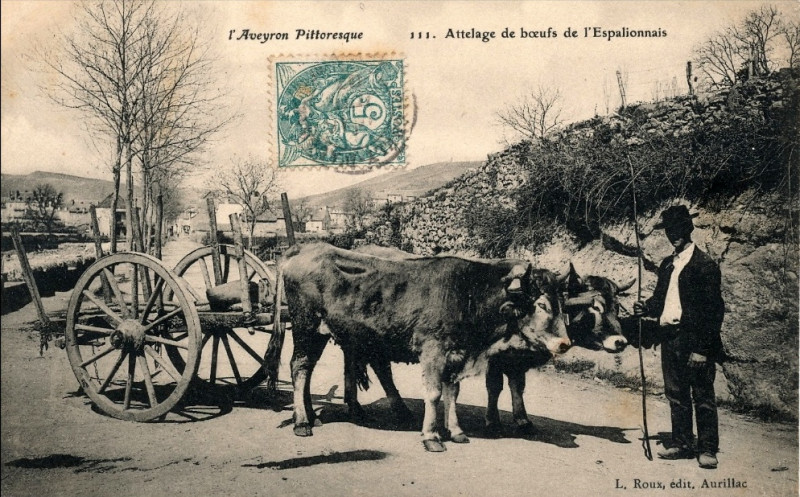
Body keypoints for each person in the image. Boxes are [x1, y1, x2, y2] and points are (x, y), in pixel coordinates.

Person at [633, 205, 725, 470]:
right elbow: (661, 299)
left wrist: (702, 349)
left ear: (689, 229)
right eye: (670, 230)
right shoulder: (667, 264)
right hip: (670, 337)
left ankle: (707, 448)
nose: (675, 235)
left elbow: (713, 313)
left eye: (679, 229)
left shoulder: (704, 265)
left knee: (703, 395)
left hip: (694, 341)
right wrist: (646, 308)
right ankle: (681, 443)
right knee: (676, 394)